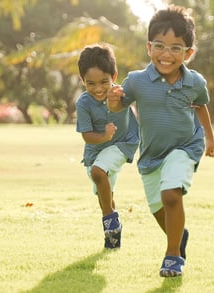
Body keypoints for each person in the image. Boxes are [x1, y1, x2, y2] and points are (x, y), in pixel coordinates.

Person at [106, 5, 214, 277]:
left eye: (176, 48)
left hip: (184, 147)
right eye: (160, 46)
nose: (166, 54)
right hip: (151, 155)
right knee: (159, 209)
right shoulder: (136, 81)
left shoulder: (195, 82)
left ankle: (173, 256)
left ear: (188, 53)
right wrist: (113, 103)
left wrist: (210, 139)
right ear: (149, 47)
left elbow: (201, 106)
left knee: (171, 195)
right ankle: (179, 237)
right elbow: (120, 105)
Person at [75, 43, 139, 250]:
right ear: (82, 80)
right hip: (96, 149)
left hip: (123, 143)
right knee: (103, 191)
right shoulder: (83, 103)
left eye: (104, 81)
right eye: (90, 83)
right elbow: (87, 136)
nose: (98, 89)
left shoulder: (121, 93)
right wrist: (103, 136)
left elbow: (142, 99)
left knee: (98, 172)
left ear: (114, 75)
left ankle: (109, 221)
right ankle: (114, 228)